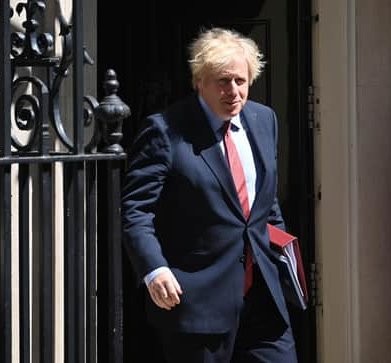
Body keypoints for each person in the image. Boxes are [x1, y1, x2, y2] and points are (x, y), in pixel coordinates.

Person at [121, 28, 297, 362]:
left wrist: (281, 254)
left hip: (264, 296)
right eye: (223, 81)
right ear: (199, 81)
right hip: (198, 299)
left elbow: (265, 200)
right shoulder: (165, 130)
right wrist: (154, 270)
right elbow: (136, 211)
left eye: (241, 81)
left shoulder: (264, 120)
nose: (234, 91)